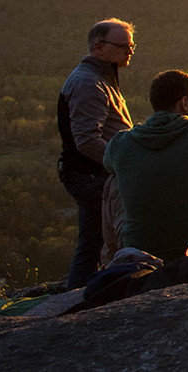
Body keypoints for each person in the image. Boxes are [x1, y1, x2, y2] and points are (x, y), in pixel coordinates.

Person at [103, 70, 188, 262]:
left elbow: (107, 164)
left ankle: (113, 261)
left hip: (140, 253)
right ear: (184, 103)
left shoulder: (121, 143)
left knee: (113, 181)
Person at [56, 18, 135, 288]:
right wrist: (123, 165)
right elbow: (88, 140)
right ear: (99, 47)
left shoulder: (100, 78)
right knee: (125, 234)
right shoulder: (88, 83)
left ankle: (79, 296)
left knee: (91, 245)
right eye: (123, 46)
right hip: (94, 176)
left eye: (132, 46)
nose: (130, 51)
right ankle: (110, 292)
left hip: (90, 174)